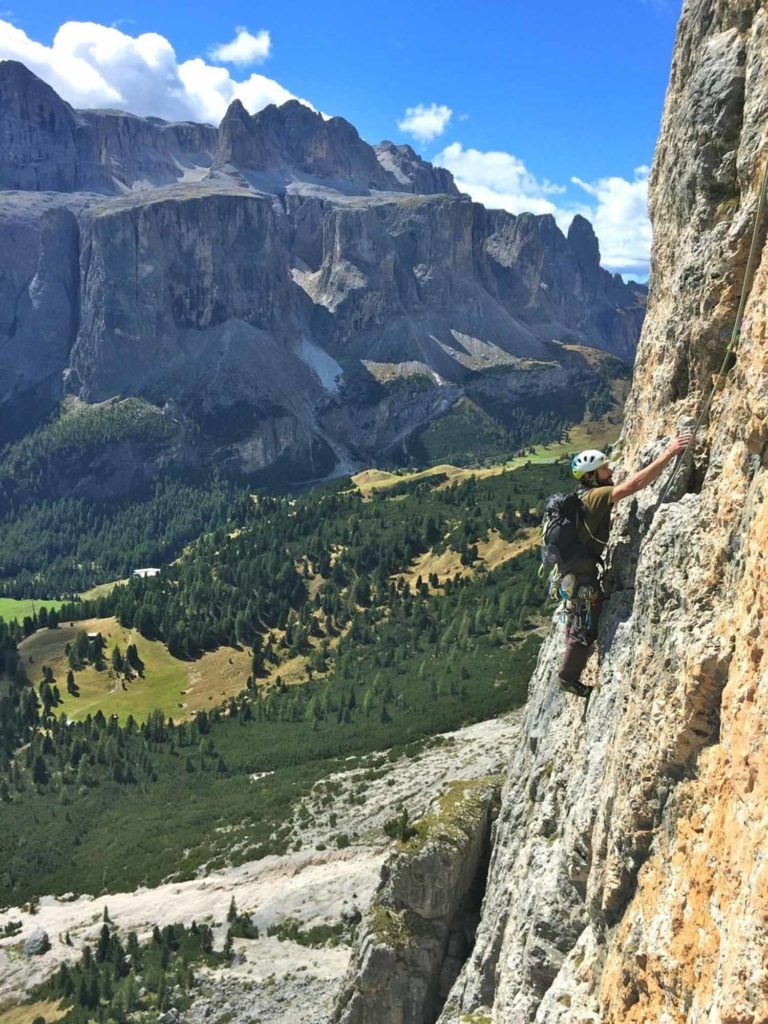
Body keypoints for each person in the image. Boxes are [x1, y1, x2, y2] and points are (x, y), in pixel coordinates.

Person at [558, 433, 691, 697]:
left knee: (577, 618)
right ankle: (568, 678)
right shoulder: (597, 495)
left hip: (575, 572)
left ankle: (570, 661)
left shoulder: (583, 497)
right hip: (582, 576)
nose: (610, 471)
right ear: (591, 475)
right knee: (584, 629)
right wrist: (668, 454)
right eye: (604, 469)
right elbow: (633, 486)